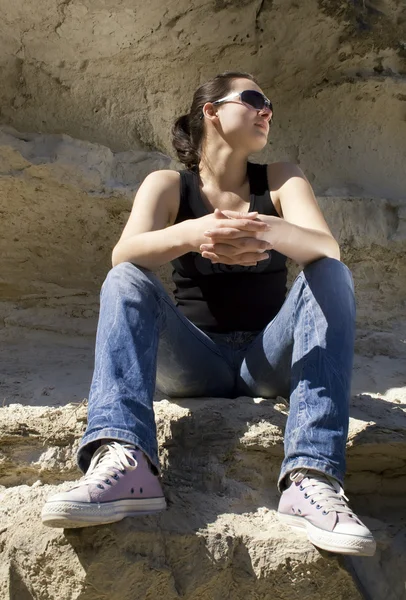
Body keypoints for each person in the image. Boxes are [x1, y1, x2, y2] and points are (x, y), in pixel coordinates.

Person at [41, 70, 376, 556]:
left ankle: (312, 477)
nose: (267, 111)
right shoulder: (168, 184)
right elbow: (124, 253)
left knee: (330, 273)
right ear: (211, 111)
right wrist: (198, 233)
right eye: (255, 99)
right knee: (126, 279)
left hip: (266, 360)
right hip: (195, 363)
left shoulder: (281, 177)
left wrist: (264, 231)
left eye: (270, 106)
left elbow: (326, 246)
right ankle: (127, 462)